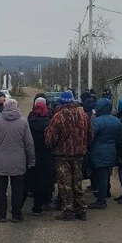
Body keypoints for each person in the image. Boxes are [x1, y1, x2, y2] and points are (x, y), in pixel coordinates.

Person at [46, 91, 92, 221]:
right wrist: (82, 145)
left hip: (62, 156)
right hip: (79, 155)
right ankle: (81, 210)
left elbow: (50, 139)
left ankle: (68, 211)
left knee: (65, 184)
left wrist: (53, 146)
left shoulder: (58, 117)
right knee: (77, 183)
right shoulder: (83, 115)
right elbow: (90, 135)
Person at [0, 99, 35, 222]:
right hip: (18, 159)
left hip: (0, 159)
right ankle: (16, 215)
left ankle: (1, 214)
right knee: (17, 189)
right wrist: (31, 160)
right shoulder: (23, 122)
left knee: (1, 189)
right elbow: (29, 143)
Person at [87, 98, 121, 209]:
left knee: (101, 176)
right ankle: (105, 193)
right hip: (111, 150)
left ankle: (101, 201)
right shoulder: (116, 120)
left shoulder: (96, 121)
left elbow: (90, 137)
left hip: (97, 151)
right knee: (106, 174)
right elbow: (118, 137)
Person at [27, 98, 56, 215]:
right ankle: (47, 201)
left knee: (35, 180)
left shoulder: (29, 123)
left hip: (34, 154)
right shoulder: (50, 123)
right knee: (47, 179)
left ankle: (37, 206)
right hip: (48, 155)